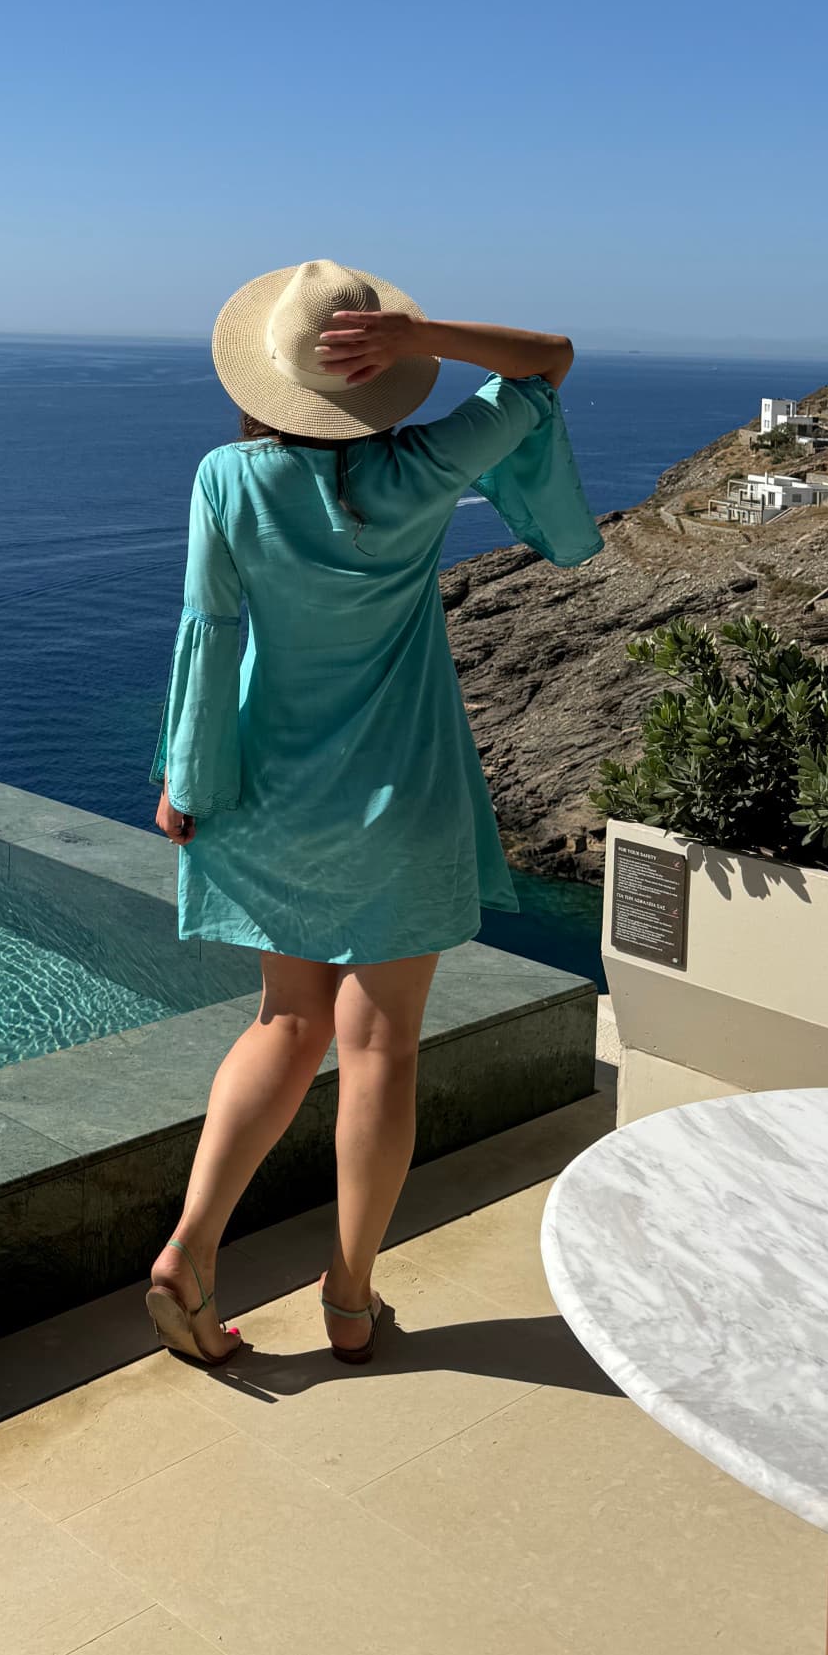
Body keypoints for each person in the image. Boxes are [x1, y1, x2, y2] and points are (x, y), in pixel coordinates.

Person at [142, 258, 600, 1369]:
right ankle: (349, 1296)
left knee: (283, 1023)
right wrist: (420, 334)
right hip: (403, 790)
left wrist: (186, 782)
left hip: (271, 790)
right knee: (380, 1041)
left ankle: (190, 1251)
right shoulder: (427, 464)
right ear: (376, 377)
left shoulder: (226, 481)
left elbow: (208, 634)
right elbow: (548, 362)